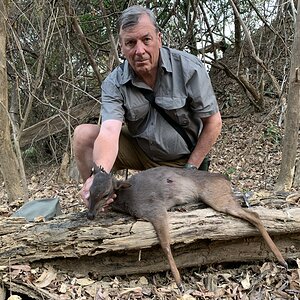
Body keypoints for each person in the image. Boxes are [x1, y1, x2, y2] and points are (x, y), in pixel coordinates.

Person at [73, 5, 222, 206]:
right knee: (83, 135)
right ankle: (98, 198)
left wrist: (191, 169)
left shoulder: (188, 68)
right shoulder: (113, 83)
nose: (139, 50)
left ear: (159, 39)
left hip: (180, 161)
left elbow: (213, 122)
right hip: (141, 150)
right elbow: (109, 130)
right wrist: (99, 177)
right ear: (122, 47)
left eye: (146, 40)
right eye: (131, 43)